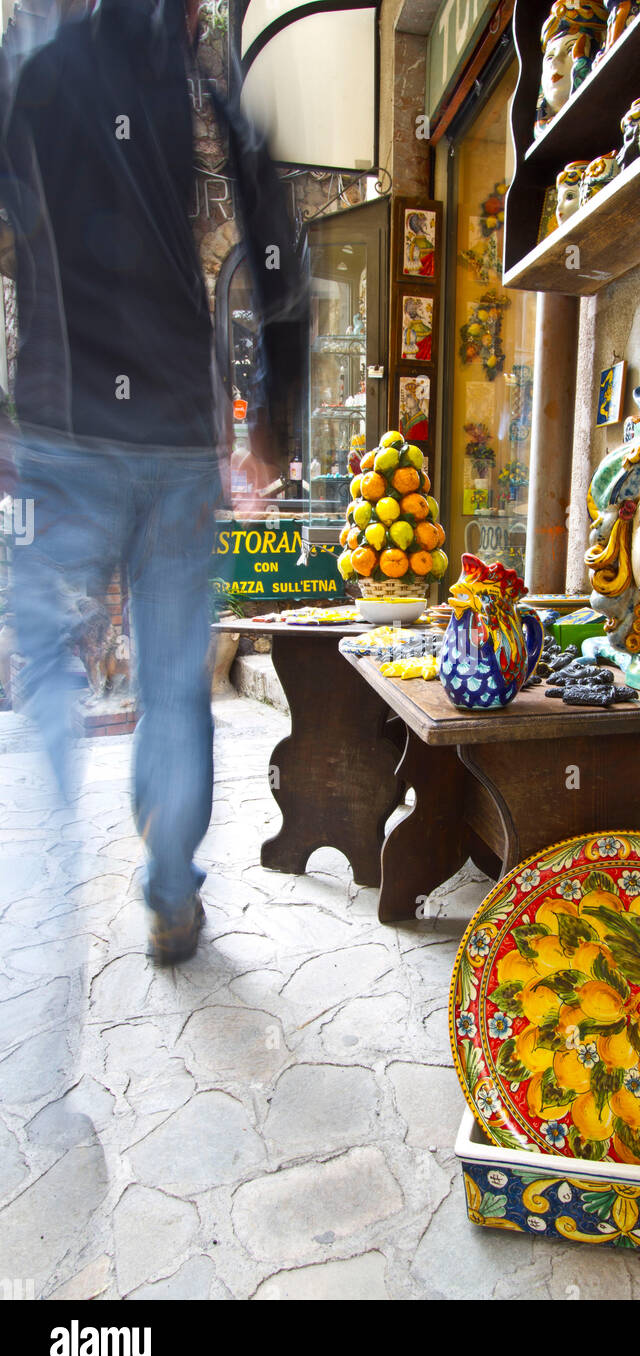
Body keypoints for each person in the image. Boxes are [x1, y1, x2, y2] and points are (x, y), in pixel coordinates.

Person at [0, 0, 304, 963]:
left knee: (42, 655)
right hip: (173, 436)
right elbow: (275, 255)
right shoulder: (206, 88)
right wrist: (274, 419)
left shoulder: (34, 62)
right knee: (173, 682)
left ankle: (39, 872)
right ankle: (169, 886)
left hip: (60, 423)